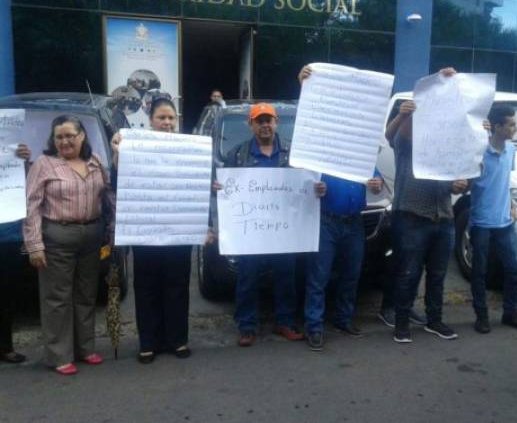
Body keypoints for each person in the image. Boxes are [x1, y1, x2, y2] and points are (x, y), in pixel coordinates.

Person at [212, 102, 327, 347]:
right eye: (259, 120)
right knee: (247, 278)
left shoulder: (293, 154)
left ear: (276, 123)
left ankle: (285, 321)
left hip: (283, 231)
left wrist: (317, 189)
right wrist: (220, 188)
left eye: (269, 120)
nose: (265, 125)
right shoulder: (238, 154)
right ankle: (247, 326)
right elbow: (229, 190)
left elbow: (306, 186)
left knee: (286, 276)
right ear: (250, 124)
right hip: (250, 231)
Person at [297, 65, 384, 351]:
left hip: (354, 222)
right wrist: (315, 188)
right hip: (326, 221)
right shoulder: (320, 148)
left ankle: (343, 320)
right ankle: (314, 326)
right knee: (319, 277)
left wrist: (375, 184)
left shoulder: (361, 150)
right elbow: (304, 180)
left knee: (351, 274)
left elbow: (378, 183)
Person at [111, 98, 200, 364]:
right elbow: (118, 185)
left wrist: (203, 222)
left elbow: (197, 187)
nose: (167, 123)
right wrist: (118, 155)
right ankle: (148, 342)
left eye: (171, 118)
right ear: (151, 120)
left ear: (177, 121)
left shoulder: (189, 150)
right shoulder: (135, 148)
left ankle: (177, 340)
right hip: (145, 231)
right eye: (162, 118)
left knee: (178, 286)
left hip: (179, 232)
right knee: (147, 287)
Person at [24, 115, 113, 375]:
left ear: (82, 136)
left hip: (92, 235)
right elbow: (31, 206)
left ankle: (86, 349)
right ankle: (59, 355)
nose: (64, 141)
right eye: (59, 136)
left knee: (86, 295)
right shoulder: (44, 164)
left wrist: (115, 229)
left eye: (69, 136)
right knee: (57, 298)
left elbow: (107, 195)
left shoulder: (95, 161)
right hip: (57, 237)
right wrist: (34, 244)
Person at [385, 67, 468, 344]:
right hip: (412, 216)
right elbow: (393, 136)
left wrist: (458, 184)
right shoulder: (409, 144)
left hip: (443, 215)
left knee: (438, 274)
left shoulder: (448, 145)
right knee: (409, 272)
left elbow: (459, 175)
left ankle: (435, 320)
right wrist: (406, 113)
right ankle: (401, 322)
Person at [469, 105, 517, 334]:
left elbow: (505, 182)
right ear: (497, 127)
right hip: (481, 222)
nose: (516, 128)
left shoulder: (512, 149)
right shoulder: (478, 152)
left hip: (505, 220)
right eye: (512, 124)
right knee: (480, 272)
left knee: (514, 269)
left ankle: (510, 313)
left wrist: (513, 205)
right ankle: (482, 315)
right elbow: (467, 184)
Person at [0, 144, 32, 364]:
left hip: (8, 236)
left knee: (6, 295)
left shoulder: (13, 153)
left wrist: (24, 162)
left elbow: (28, 187)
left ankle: (5, 347)